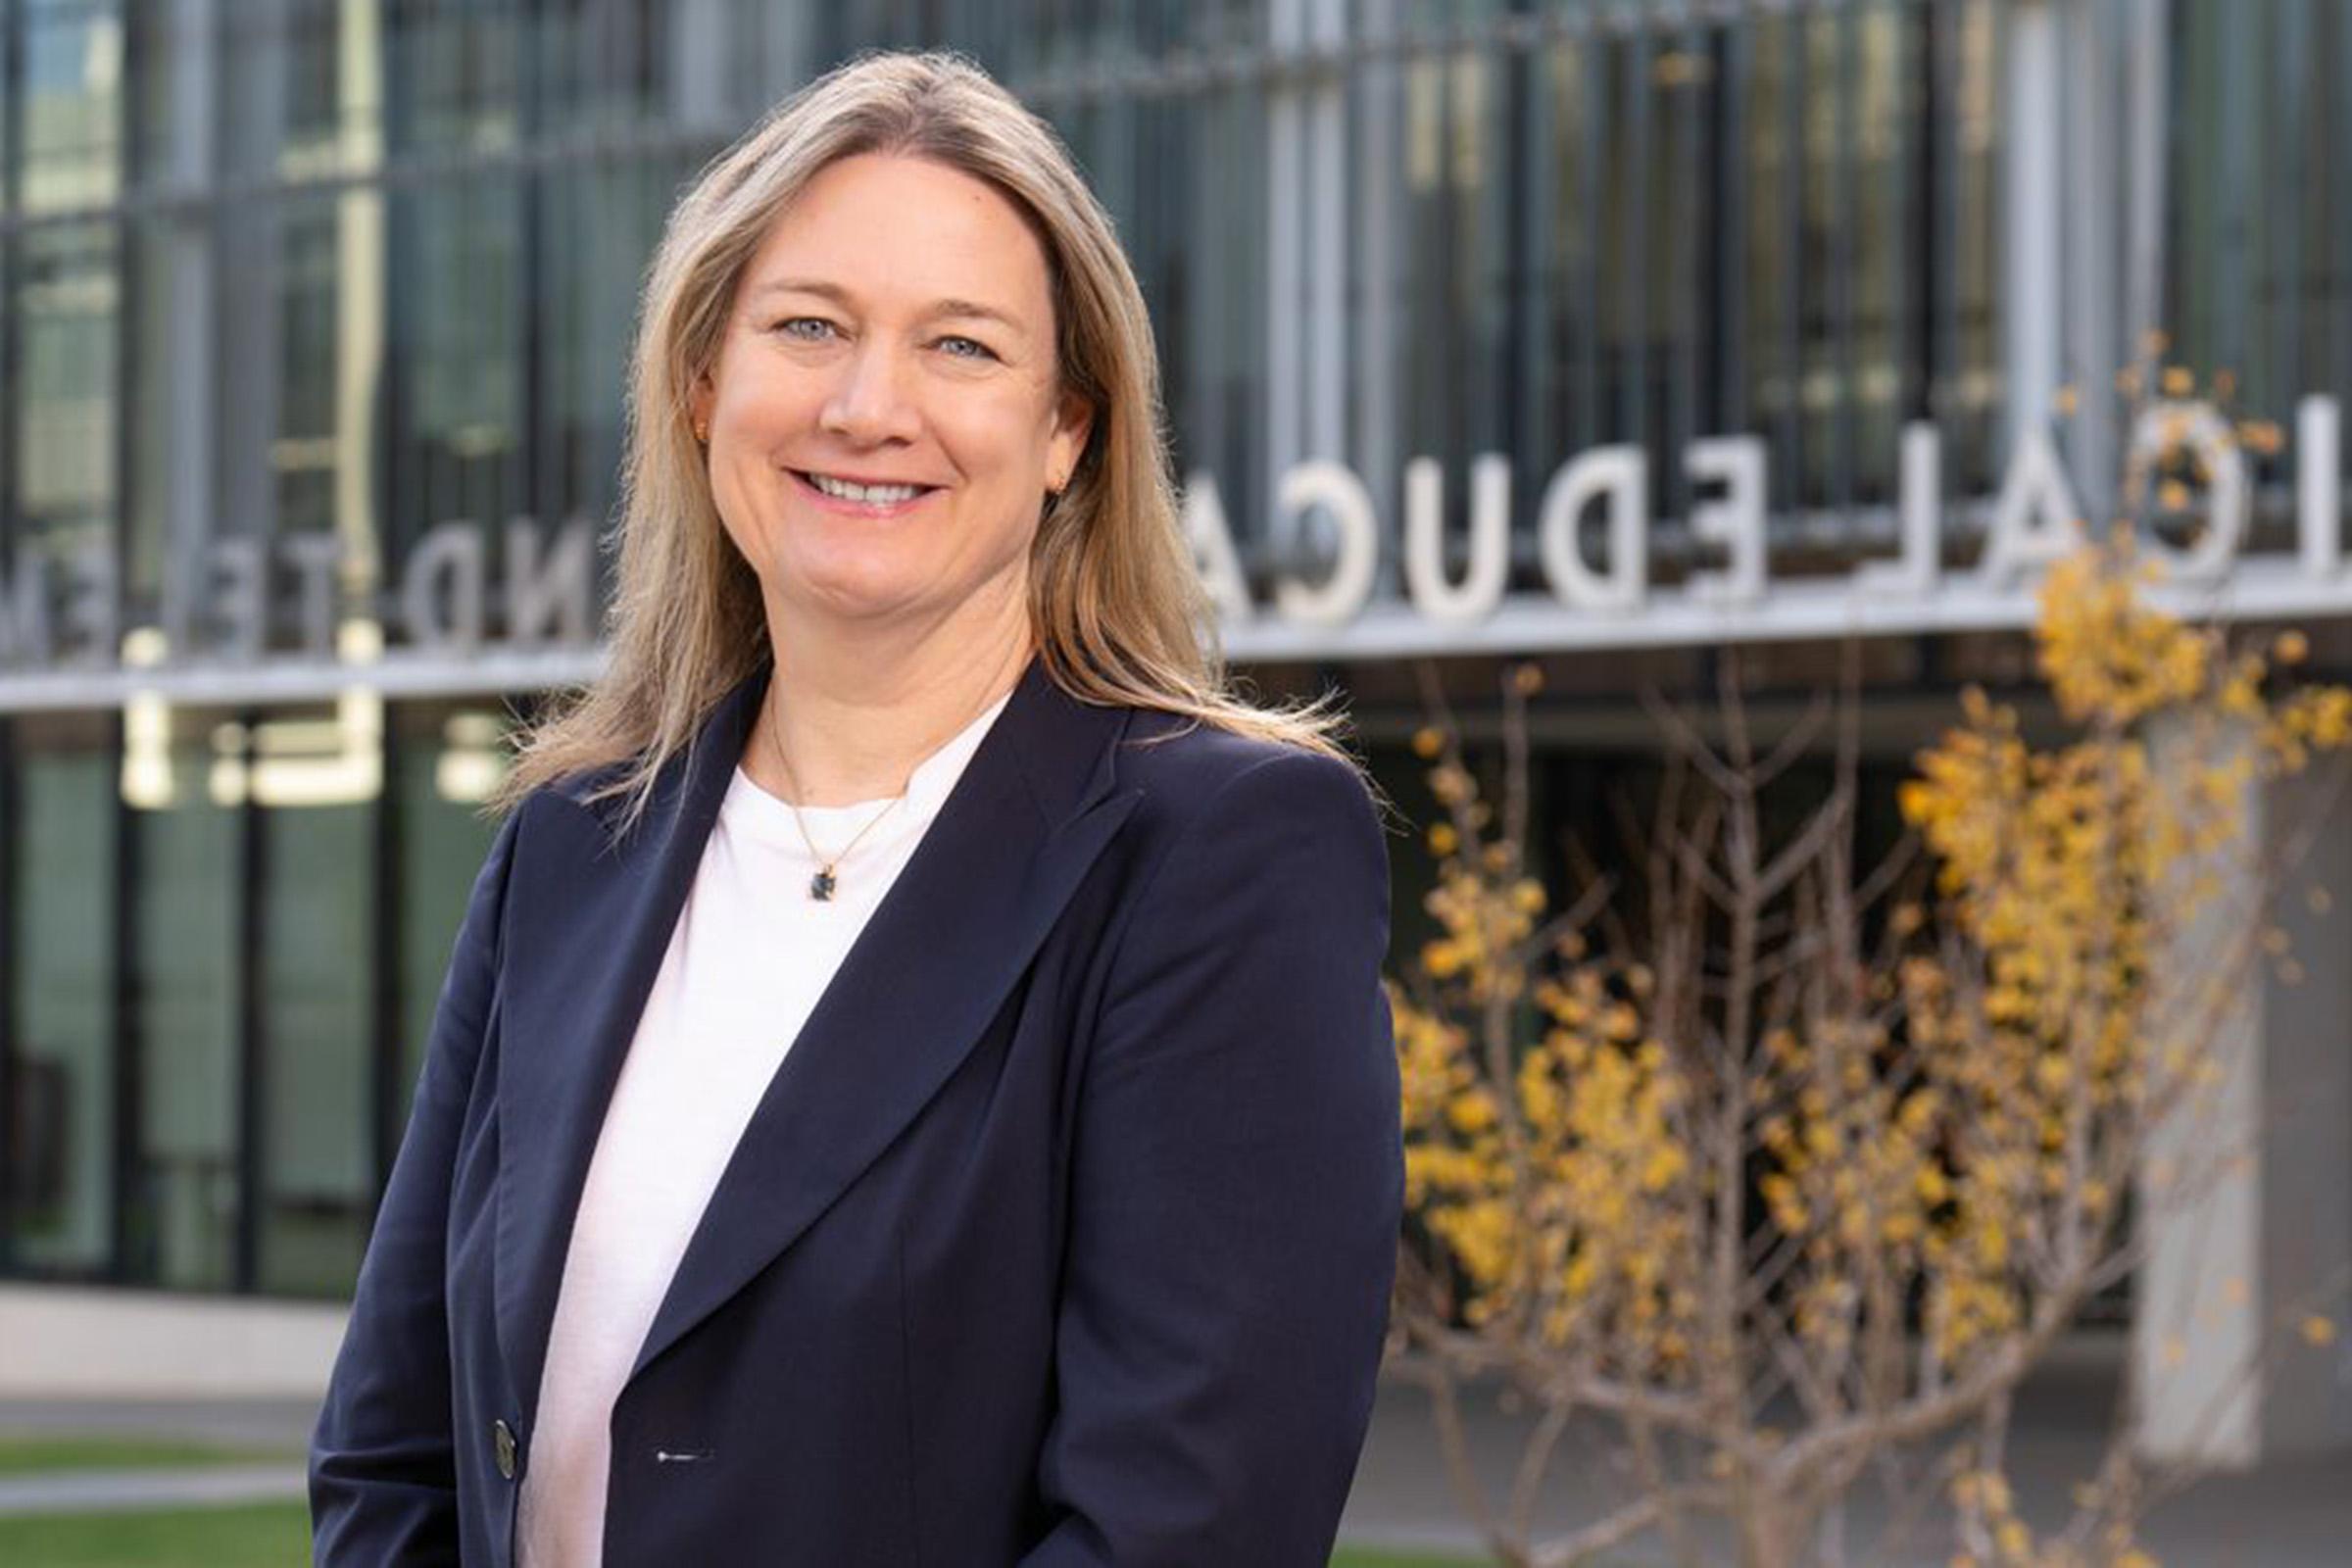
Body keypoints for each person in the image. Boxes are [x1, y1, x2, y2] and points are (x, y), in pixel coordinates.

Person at [310, 49, 1400, 1568]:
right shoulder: (573, 844)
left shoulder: (1220, 857)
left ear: (1067, 431)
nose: (868, 406)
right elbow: (390, 1457)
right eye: (809, 327)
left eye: (960, 347)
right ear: (705, 386)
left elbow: (1184, 1525)